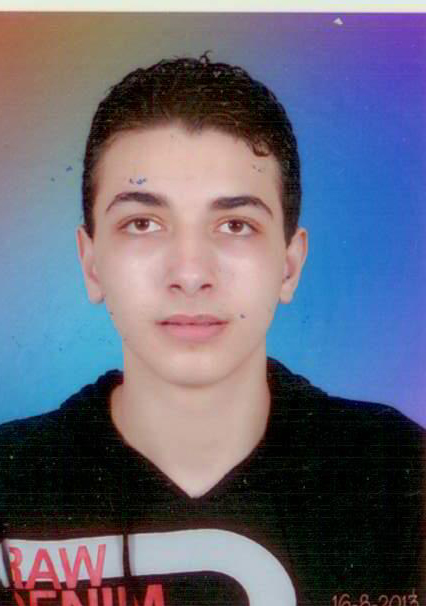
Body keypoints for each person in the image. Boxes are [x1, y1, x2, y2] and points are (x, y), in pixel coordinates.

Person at [0, 52, 424, 606]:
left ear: (289, 265)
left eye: (235, 225)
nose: (191, 273)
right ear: (91, 263)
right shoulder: (12, 484)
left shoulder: (398, 476)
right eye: (143, 223)